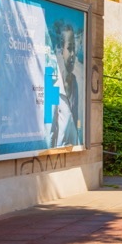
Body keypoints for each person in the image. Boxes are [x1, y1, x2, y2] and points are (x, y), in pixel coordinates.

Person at [49, 20, 83, 148]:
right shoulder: (53, 85)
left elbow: (77, 119)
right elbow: (50, 128)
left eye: (74, 48)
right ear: (61, 50)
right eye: (69, 48)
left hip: (74, 150)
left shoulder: (75, 82)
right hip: (59, 152)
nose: (73, 54)